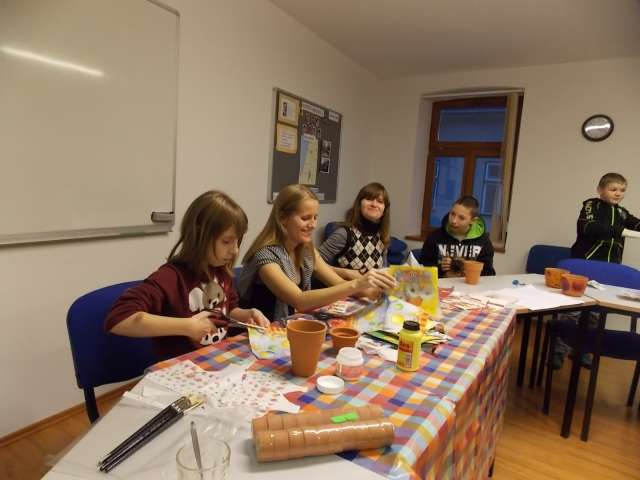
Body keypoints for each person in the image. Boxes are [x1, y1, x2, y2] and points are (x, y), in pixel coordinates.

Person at [105, 191, 269, 359]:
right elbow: (118, 319)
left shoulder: (220, 270)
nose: (235, 250)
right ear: (200, 237)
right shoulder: (170, 278)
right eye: (226, 241)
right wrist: (187, 326)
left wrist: (246, 314)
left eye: (238, 241)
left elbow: (229, 309)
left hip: (216, 361)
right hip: (183, 368)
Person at [238, 184, 396, 321]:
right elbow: (300, 300)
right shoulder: (265, 257)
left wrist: (377, 290)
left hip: (288, 327)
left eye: (315, 217)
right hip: (256, 335)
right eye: (305, 218)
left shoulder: (306, 249)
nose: (313, 225)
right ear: (282, 218)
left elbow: (338, 283)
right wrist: (358, 283)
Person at [318, 182, 390, 281]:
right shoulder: (344, 234)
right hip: (344, 289)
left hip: (372, 290)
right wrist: (346, 273)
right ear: (359, 205)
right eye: (369, 199)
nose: (374, 204)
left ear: (384, 210)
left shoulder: (383, 236)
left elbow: (383, 271)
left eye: (380, 201)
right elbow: (313, 264)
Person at [571, 172, 640, 263]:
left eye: (622, 190)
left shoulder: (622, 212)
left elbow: (636, 224)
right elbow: (588, 227)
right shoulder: (592, 204)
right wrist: (623, 232)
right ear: (600, 190)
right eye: (613, 190)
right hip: (586, 260)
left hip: (612, 263)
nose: (618, 194)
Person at [419, 195, 495, 278]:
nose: (454, 221)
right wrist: (440, 267)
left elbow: (489, 273)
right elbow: (422, 267)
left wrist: (470, 271)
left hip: (469, 285)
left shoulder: (484, 242)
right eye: (452, 214)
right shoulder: (434, 237)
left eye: (461, 218)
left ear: (473, 221)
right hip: (441, 285)